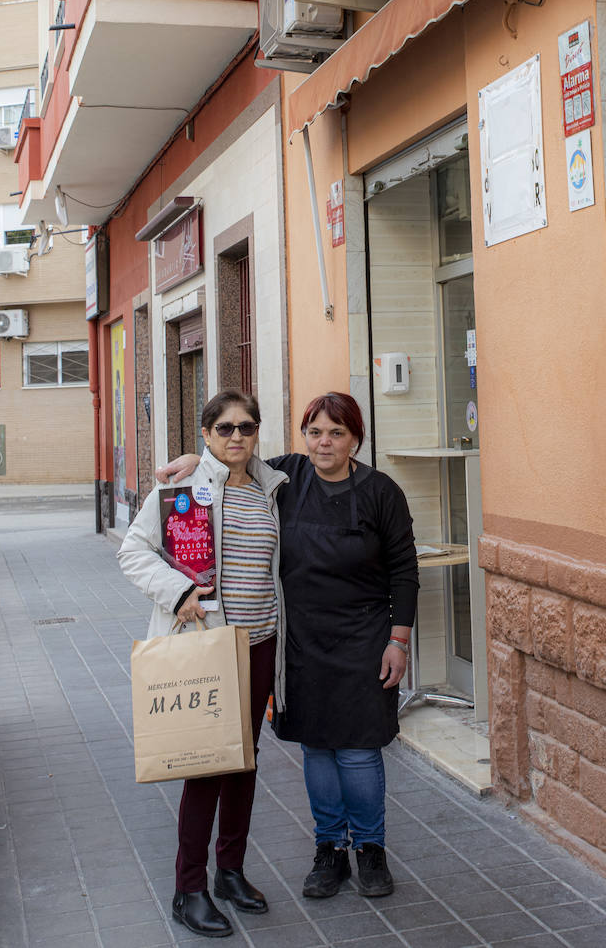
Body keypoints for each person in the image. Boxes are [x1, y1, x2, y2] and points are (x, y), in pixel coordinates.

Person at [159, 391, 419, 900]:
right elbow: (234, 459)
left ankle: (369, 850)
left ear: (355, 439)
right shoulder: (286, 477)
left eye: (336, 433)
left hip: (365, 637)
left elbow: (405, 571)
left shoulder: (381, 491)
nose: (324, 442)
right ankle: (329, 852)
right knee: (318, 746)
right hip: (298, 640)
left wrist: (399, 640)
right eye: (315, 432)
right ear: (304, 436)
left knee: (360, 749)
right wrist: (197, 460)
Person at [120, 390, 287, 939]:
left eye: (246, 427)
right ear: (206, 435)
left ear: (257, 433)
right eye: (225, 429)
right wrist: (178, 592)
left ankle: (230, 872)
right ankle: (188, 887)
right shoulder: (182, 489)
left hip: (260, 644)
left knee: (245, 762)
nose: (236, 437)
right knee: (207, 766)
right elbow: (133, 551)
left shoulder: (271, 489)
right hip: (209, 645)